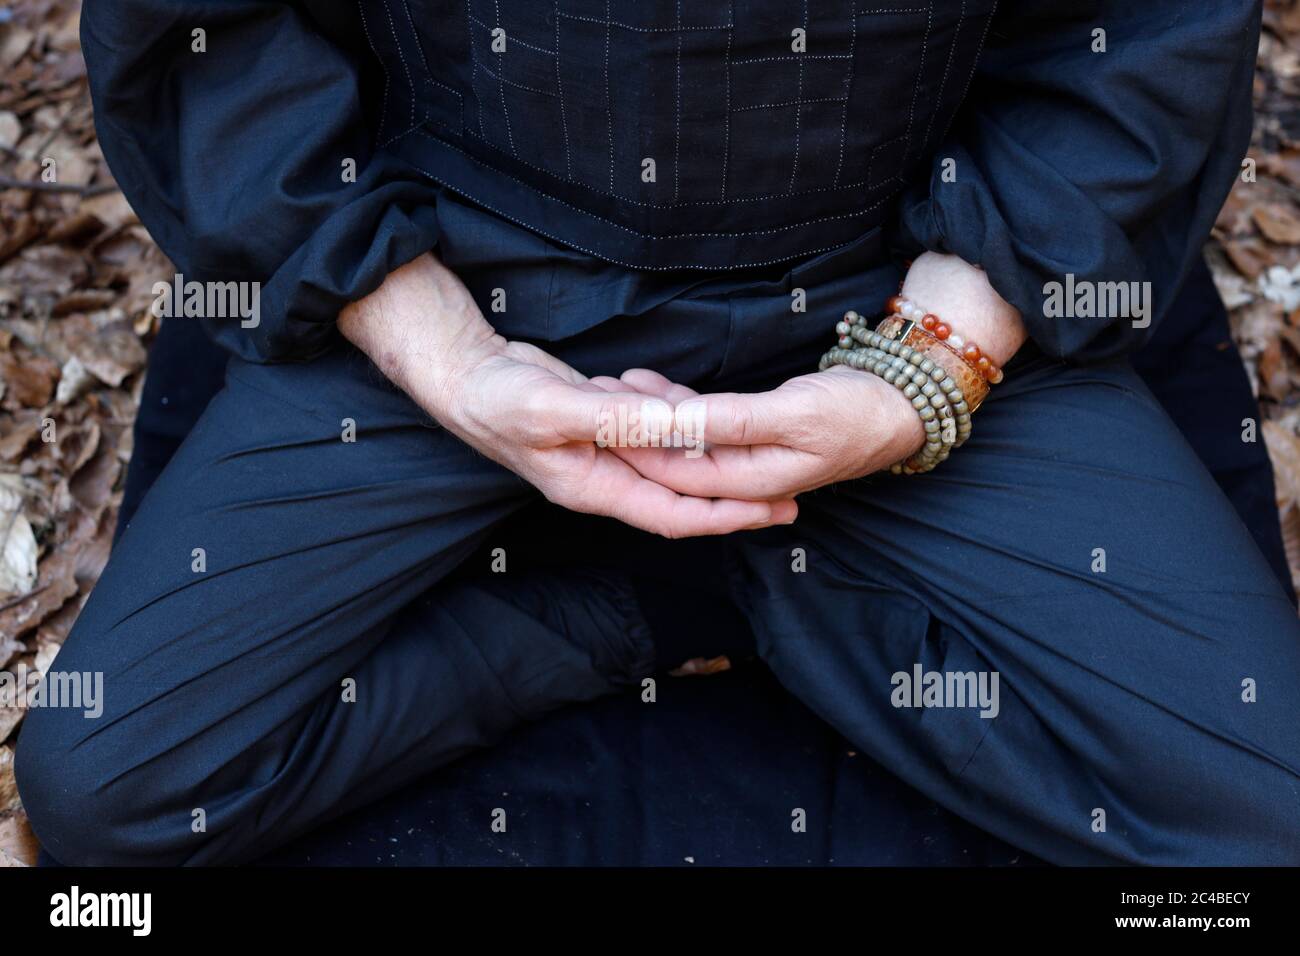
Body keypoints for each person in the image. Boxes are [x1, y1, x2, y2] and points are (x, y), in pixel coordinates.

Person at [17, 0, 1300, 866]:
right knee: (110, 785)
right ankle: (623, 603)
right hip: (454, 264)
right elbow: (209, 38)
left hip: (910, 259)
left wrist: (914, 379)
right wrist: (450, 363)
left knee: (1264, 807)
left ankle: (750, 576)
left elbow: (1139, 36)